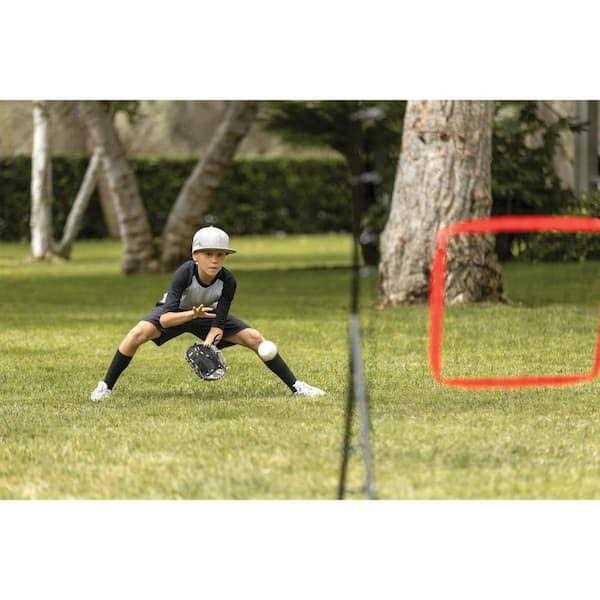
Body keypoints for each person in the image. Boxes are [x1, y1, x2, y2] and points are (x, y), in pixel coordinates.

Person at [90, 226, 326, 401]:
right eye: (208, 254)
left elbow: (218, 324)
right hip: (177, 312)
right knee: (137, 334)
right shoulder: (185, 272)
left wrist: (207, 347)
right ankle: (105, 386)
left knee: (255, 338)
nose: (214, 260)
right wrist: (191, 315)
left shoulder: (228, 281)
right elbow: (165, 319)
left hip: (206, 315)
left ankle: (297, 386)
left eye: (220, 254)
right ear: (195, 255)